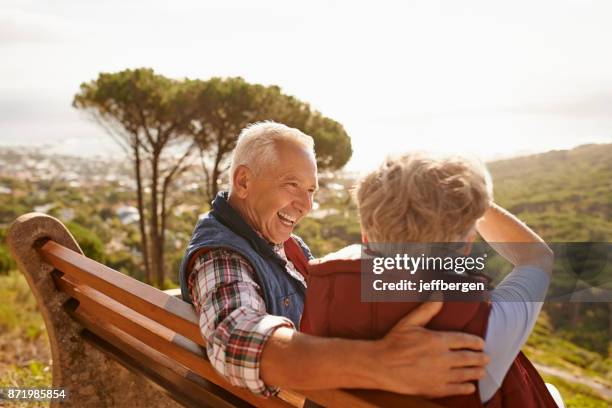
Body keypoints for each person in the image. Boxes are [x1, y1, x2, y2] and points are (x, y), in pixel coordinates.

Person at [179, 122, 489, 398]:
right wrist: (382, 362)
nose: (306, 205)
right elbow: (234, 340)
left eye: (311, 190)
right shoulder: (220, 256)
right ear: (243, 181)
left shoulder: (283, 244)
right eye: (292, 185)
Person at [301, 152, 564, 407]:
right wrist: (472, 202)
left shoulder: (324, 279)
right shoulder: (490, 323)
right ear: (467, 245)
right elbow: (537, 256)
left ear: (365, 235)